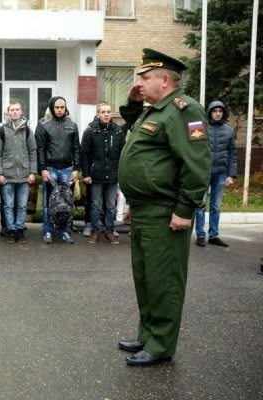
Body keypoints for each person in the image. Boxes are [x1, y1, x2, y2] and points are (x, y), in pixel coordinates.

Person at [117, 48, 211, 366]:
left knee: (164, 280)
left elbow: (197, 165)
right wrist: (132, 102)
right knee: (144, 278)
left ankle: (161, 345)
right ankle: (147, 334)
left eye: (145, 78)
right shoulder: (155, 110)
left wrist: (185, 210)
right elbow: (134, 132)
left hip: (165, 212)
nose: (139, 82)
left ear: (166, 80)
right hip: (145, 209)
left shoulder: (183, 110)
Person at [35, 96, 80, 244]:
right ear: (52, 108)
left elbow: (76, 148)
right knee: (49, 202)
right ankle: (47, 230)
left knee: (65, 202)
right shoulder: (44, 125)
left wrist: (76, 168)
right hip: (50, 169)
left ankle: (63, 231)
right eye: (57, 107)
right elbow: (40, 149)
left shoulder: (72, 126)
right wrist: (42, 169)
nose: (60, 110)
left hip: (67, 169)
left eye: (62, 107)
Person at [80, 102, 125, 245]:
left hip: (112, 175)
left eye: (108, 112)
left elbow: (122, 154)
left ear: (112, 114)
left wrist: (120, 172)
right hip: (95, 175)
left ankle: (109, 231)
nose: (106, 114)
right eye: (103, 112)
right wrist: (86, 174)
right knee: (95, 205)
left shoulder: (118, 131)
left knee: (111, 205)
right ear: (98, 114)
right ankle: (95, 231)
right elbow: (84, 154)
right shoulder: (90, 131)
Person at [195, 100, 237, 248]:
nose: (217, 113)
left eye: (220, 111)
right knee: (200, 205)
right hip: (203, 173)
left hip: (220, 173)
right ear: (210, 112)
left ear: (223, 113)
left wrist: (231, 175)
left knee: (216, 206)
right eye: (214, 111)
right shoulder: (201, 128)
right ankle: (200, 235)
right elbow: (194, 149)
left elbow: (232, 154)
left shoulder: (229, 131)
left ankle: (214, 235)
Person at [0, 101, 37, 244]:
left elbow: (32, 152)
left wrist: (32, 172)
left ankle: (20, 229)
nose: (14, 112)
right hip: (7, 175)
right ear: (8, 113)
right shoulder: (1, 131)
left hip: (24, 174)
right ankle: (11, 230)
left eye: (17, 109)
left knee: (22, 204)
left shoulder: (27, 131)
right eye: (12, 110)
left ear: (21, 112)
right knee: (8, 204)